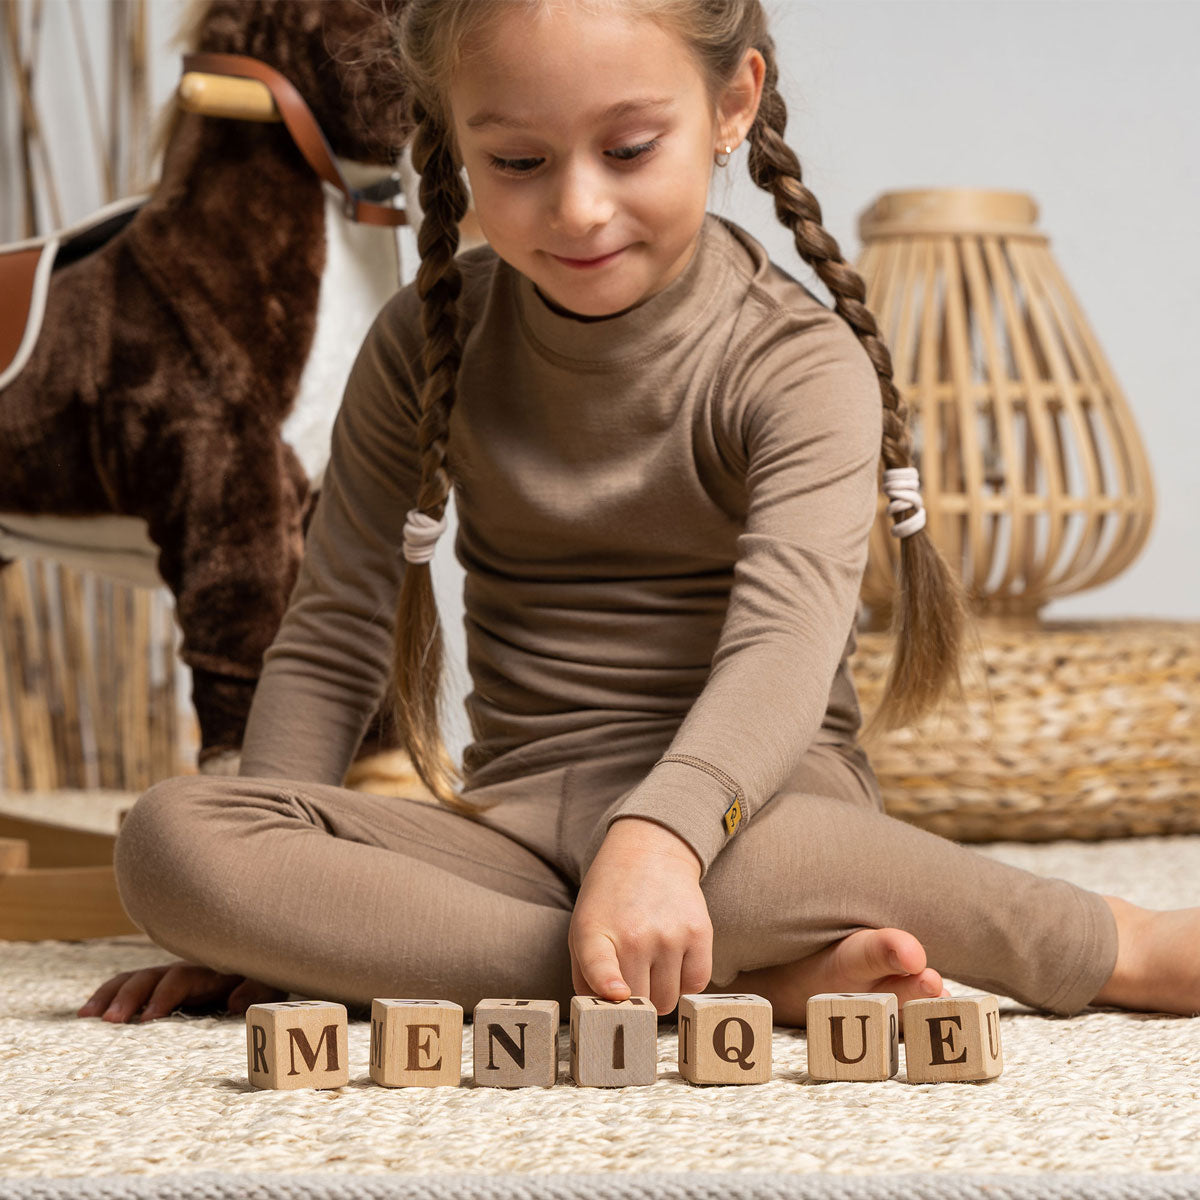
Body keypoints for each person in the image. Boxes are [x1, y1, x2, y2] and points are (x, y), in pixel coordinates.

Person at [80, 0, 1193, 1030]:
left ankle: (1110, 943)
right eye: (516, 161)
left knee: (777, 868)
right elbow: (330, 640)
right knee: (173, 841)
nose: (577, 208)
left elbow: (782, 651)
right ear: (450, 132)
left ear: (732, 104)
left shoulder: (797, 365)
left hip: (752, 820)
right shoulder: (428, 345)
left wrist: (660, 835)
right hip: (519, 834)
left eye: (627, 151)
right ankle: (724, 977)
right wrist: (268, 894)